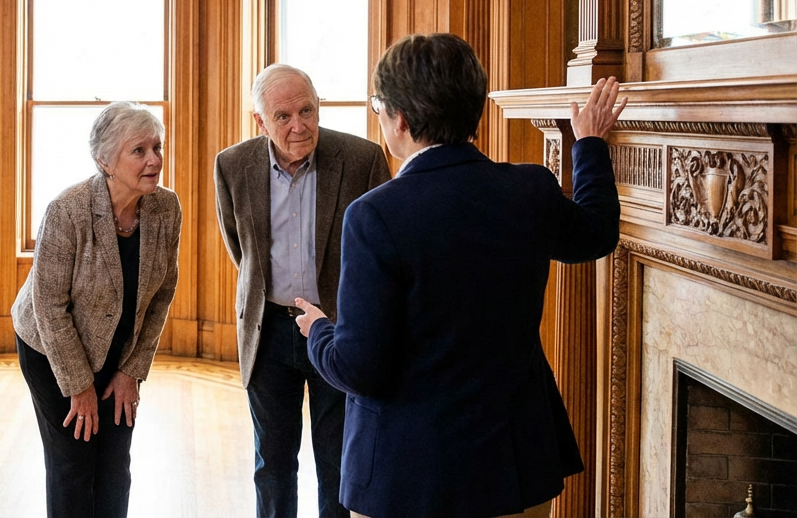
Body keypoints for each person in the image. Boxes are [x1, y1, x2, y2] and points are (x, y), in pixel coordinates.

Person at [295, 33, 626, 518]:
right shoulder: (529, 191)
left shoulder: (374, 216)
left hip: (405, 476)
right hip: (515, 467)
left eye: (377, 107)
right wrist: (591, 144)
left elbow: (359, 367)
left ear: (400, 119)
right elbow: (597, 234)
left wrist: (318, 331)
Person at [213, 64, 391, 518]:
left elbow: (384, 252)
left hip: (339, 327)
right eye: (283, 116)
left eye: (307, 110)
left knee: (337, 460)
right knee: (271, 460)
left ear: (318, 105)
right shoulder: (232, 165)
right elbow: (242, 248)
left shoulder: (362, 159)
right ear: (260, 122)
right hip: (268, 329)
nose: (299, 126)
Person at [12, 102, 181, 518]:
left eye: (157, 147)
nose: (155, 159)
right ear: (104, 160)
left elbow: (162, 294)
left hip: (119, 352)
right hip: (52, 351)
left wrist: (131, 370)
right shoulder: (67, 210)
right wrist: (79, 387)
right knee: (73, 464)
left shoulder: (166, 209)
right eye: (138, 150)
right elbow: (49, 307)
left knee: (114, 466)